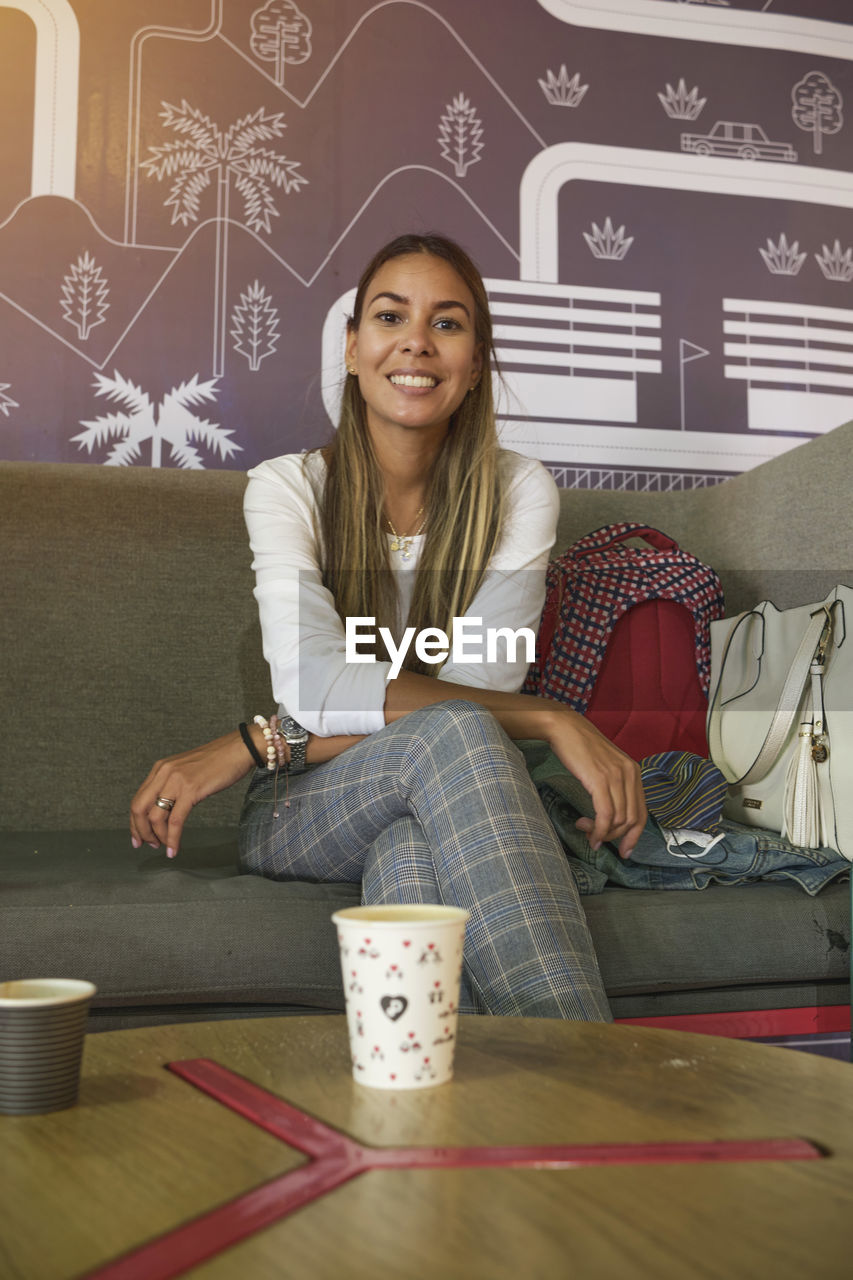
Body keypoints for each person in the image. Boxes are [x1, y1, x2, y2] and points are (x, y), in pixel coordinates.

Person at [130, 232, 646, 1020]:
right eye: (389, 316)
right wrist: (547, 715)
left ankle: (449, 1131)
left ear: (475, 364)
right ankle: (586, 1087)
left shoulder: (519, 492)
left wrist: (261, 738)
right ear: (352, 348)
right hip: (301, 806)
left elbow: (475, 690)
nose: (415, 341)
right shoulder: (286, 488)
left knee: (411, 850)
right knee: (460, 733)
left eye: (447, 323)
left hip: (433, 788)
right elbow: (317, 685)